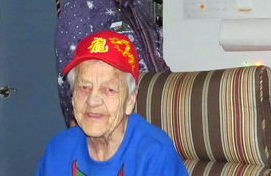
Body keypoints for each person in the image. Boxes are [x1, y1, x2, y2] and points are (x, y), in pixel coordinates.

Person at [55, 0, 169, 125]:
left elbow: (158, 53)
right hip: (109, 114)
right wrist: (77, 123)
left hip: (157, 105)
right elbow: (69, 72)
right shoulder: (79, 4)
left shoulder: (140, 1)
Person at [36, 30, 187, 176]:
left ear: (130, 100)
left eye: (109, 90)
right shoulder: (57, 150)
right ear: (72, 97)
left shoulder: (154, 154)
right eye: (84, 87)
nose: (92, 101)